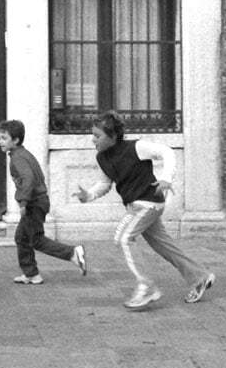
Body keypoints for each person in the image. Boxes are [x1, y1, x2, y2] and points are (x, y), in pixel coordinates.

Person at [73, 111, 215, 311]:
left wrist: (166, 178)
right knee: (163, 246)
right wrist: (88, 195)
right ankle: (199, 276)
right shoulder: (102, 157)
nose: (92, 139)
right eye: (93, 135)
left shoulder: (136, 147)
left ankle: (146, 286)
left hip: (147, 203)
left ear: (113, 136)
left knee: (123, 238)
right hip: (138, 206)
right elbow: (105, 183)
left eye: (98, 136)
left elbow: (166, 152)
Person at [0, 120, 87, 284]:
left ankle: (72, 253)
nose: (0, 141)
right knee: (22, 237)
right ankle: (31, 273)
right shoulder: (23, 154)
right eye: (0, 138)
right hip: (39, 201)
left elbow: (29, 178)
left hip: (34, 203)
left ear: (15, 140)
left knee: (35, 240)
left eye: (4, 138)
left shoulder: (18, 158)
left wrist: (23, 202)